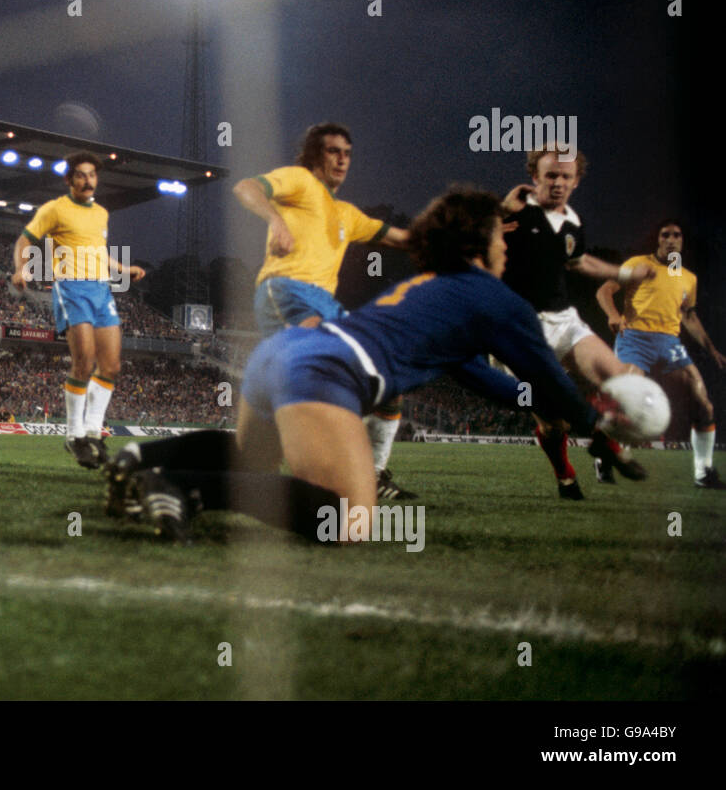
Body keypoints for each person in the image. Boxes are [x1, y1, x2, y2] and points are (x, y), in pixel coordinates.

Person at [105, 187, 632, 542]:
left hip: (281, 353)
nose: (505, 247)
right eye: (499, 235)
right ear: (479, 243)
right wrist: (600, 431)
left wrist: (554, 410)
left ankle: (140, 457)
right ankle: (184, 489)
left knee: (251, 459)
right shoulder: (495, 300)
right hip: (324, 369)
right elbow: (551, 383)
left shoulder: (426, 287)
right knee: (350, 520)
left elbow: (483, 377)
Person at [232, 123, 413, 498]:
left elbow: (405, 238)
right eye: (333, 151)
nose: (342, 159)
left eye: (347, 152)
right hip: (287, 291)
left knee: (389, 376)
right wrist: (275, 218)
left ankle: (372, 474)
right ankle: (300, 472)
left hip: (329, 306)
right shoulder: (299, 181)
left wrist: (478, 231)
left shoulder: (347, 214)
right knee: (319, 369)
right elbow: (246, 187)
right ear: (314, 154)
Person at [500, 144, 655, 497]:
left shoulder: (572, 221)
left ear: (577, 181)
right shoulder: (515, 212)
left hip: (564, 320)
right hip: (518, 331)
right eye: (550, 175)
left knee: (620, 377)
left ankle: (604, 442)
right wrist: (497, 212)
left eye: (566, 176)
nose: (557, 182)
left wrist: (623, 273)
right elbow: (472, 238)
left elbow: (578, 262)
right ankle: (566, 475)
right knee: (555, 426)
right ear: (534, 176)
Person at [10, 152, 145, 468]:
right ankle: (74, 436)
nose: (88, 180)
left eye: (93, 175)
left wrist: (123, 269)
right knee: (84, 361)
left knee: (110, 366)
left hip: (101, 289)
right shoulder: (54, 209)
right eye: (81, 175)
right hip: (71, 287)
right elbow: (24, 241)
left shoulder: (101, 213)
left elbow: (98, 251)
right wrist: (23, 269)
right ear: (69, 180)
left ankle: (93, 432)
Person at [596, 220, 726, 489]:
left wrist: (711, 349)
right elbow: (604, 290)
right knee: (625, 403)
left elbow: (688, 316)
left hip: (669, 343)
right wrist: (613, 315)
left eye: (676, 235)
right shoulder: (637, 264)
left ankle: (703, 473)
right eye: (665, 235)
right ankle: (606, 455)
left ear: (682, 242)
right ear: (657, 240)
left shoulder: (688, 278)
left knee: (703, 403)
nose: (671, 240)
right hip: (634, 338)